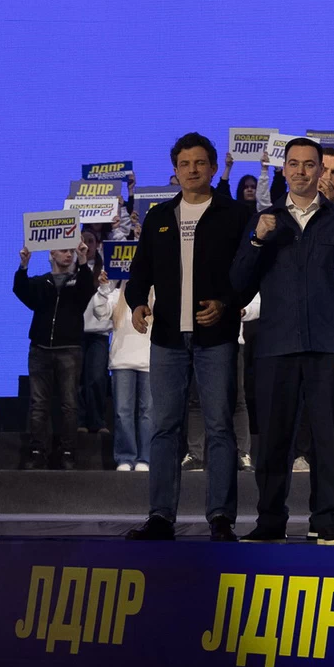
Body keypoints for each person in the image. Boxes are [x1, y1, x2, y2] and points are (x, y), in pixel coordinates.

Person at [231, 138, 334, 545]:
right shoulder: (264, 221)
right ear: (283, 170)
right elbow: (238, 287)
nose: (301, 171)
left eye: (310, 165)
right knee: (274, 440)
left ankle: (328, 520)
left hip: (329, 347)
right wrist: (257, 240)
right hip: (277, 346)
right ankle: (270, 520)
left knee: (330, 438)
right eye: (293, 164)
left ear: (321, 171)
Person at [123, 132, 247, 541]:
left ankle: (221, 517)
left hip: (217, 337)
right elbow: (140, 271)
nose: (192, 170)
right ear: (175, 171)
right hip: (167, 339)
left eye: (199, 163)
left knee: (219, 427)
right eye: (184, 164)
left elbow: (247, 271)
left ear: (212, 167)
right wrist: (137, 302)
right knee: (164, 428)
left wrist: (226, 302)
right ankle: (160, 516)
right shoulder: (159, 216)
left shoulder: (233, 214)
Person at [12, 241, 97, 470]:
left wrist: (83, 260)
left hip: (69, 349)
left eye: (71, 251)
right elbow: (21, 290)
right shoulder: (42, 282)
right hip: (40, 349)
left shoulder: (78, 281)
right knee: (39, 404)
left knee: (69, 404)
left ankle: (68, 453)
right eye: (64, 251)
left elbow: (88, 289)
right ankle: (37, 452)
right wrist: (23, 266)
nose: (68, 254)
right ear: (52, 253)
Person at [109, 273, 152, 473]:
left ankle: (146, 458)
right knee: (122, 412)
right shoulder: (115, 295)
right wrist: (104, 288)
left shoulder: (156, 296)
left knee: (148, 413)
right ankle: (125, 457)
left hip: (149, 362)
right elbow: (99, 313)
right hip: (122, 362)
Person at [78, 228, 116, 437]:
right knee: (77, 379)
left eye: (90, 241)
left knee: (96, 377)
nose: (86, 245)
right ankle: (80, 420)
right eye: (82, 240)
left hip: (99, 332)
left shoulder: (107, 269)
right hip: (75, 331)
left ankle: (97, 420)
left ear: (98, 244)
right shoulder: (71, 266)